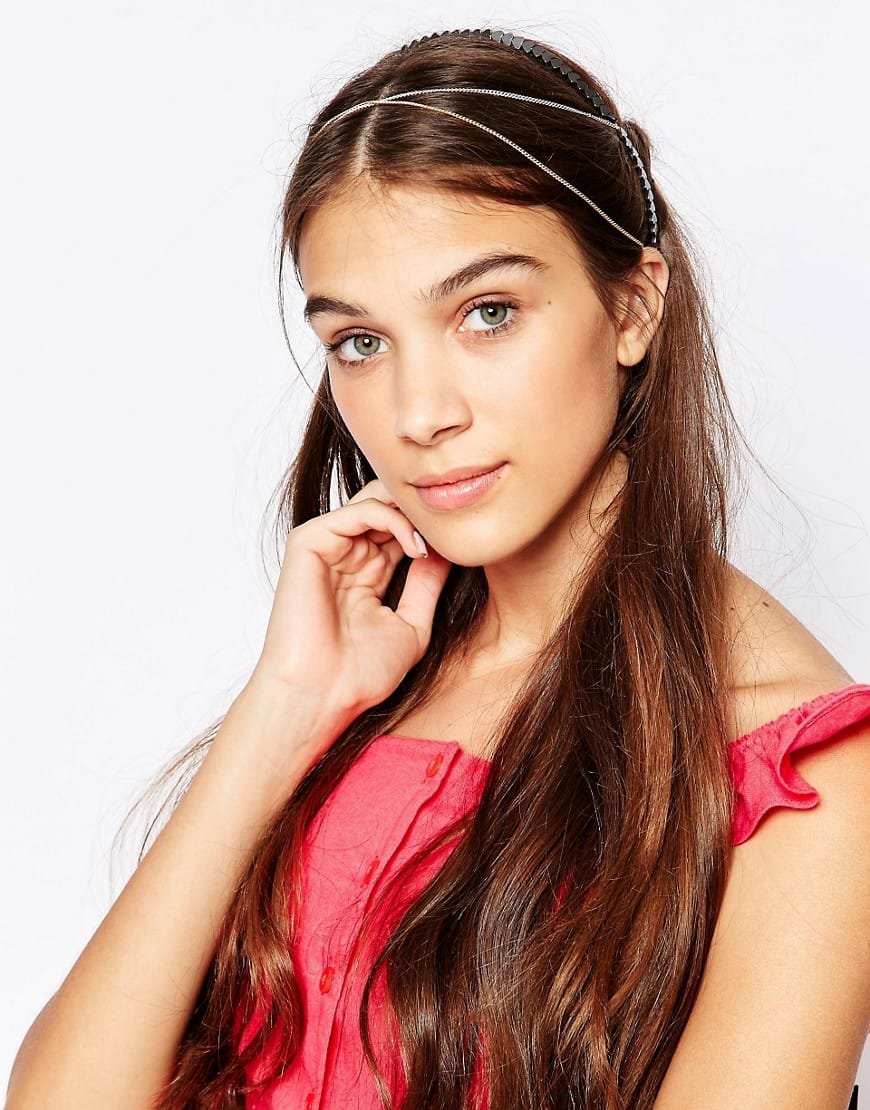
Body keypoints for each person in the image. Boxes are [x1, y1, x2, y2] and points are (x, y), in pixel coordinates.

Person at [7, 26, 869, 1110]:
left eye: (487, 314)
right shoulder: (366, 682)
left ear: (633, 306)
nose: (419, 415)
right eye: (360, 342)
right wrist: (284, 708)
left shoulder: (804, 771)